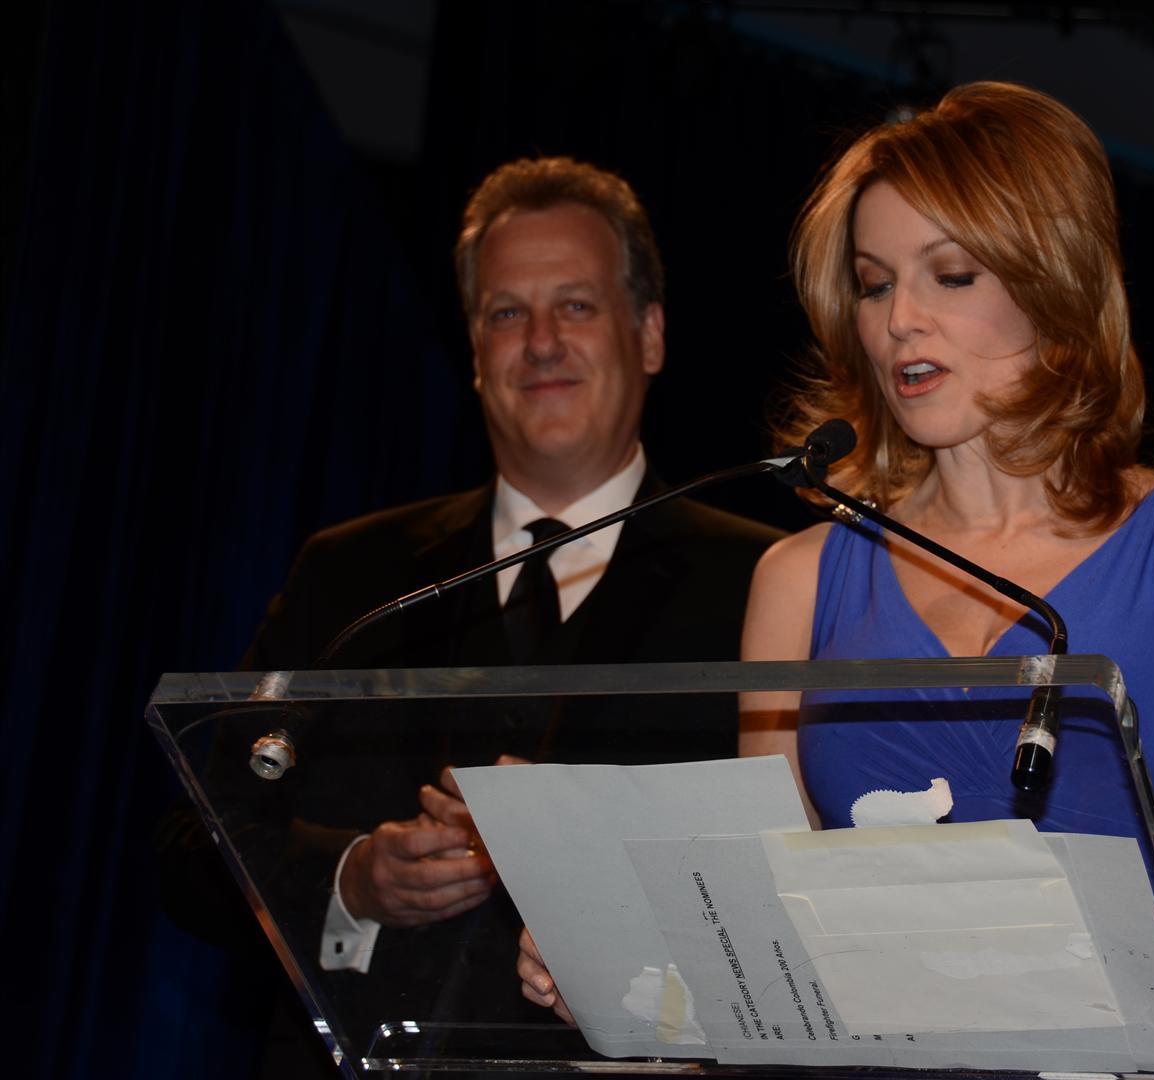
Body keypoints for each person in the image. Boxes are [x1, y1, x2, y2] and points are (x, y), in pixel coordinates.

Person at [728, 82, 1154, 1067]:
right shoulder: (797, 579)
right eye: (875, 284)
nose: (900, 320)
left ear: (1054, 289)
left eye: (951, 275)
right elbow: (766, 909)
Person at [161, 155, 781, 1072]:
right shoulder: (350, 575)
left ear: (649, 334)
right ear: (475, 352)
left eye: (576, 305)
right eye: (505, 314)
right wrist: (354, 880)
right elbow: (195, 847)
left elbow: (792, 883)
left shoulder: (766, 580)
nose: (541, 342)